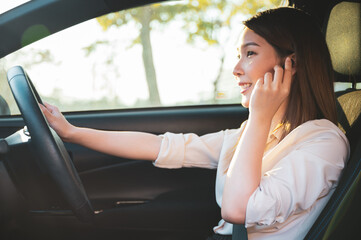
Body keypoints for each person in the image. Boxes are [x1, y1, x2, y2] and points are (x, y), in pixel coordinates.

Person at [40, 7, 349, 240]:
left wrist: (259, 116)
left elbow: (238, 210)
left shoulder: (323, 142)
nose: (236, 69)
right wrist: (72, 133)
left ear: (291, 65)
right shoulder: (254, 134)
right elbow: (162, 145)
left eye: (250, 54)